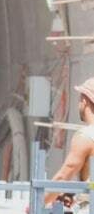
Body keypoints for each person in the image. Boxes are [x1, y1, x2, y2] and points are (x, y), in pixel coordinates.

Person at [45, 77, 94, 207]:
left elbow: (65, 174)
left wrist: (38, 204)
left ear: (84, 101)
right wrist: (73, 193)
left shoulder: (86, 137)